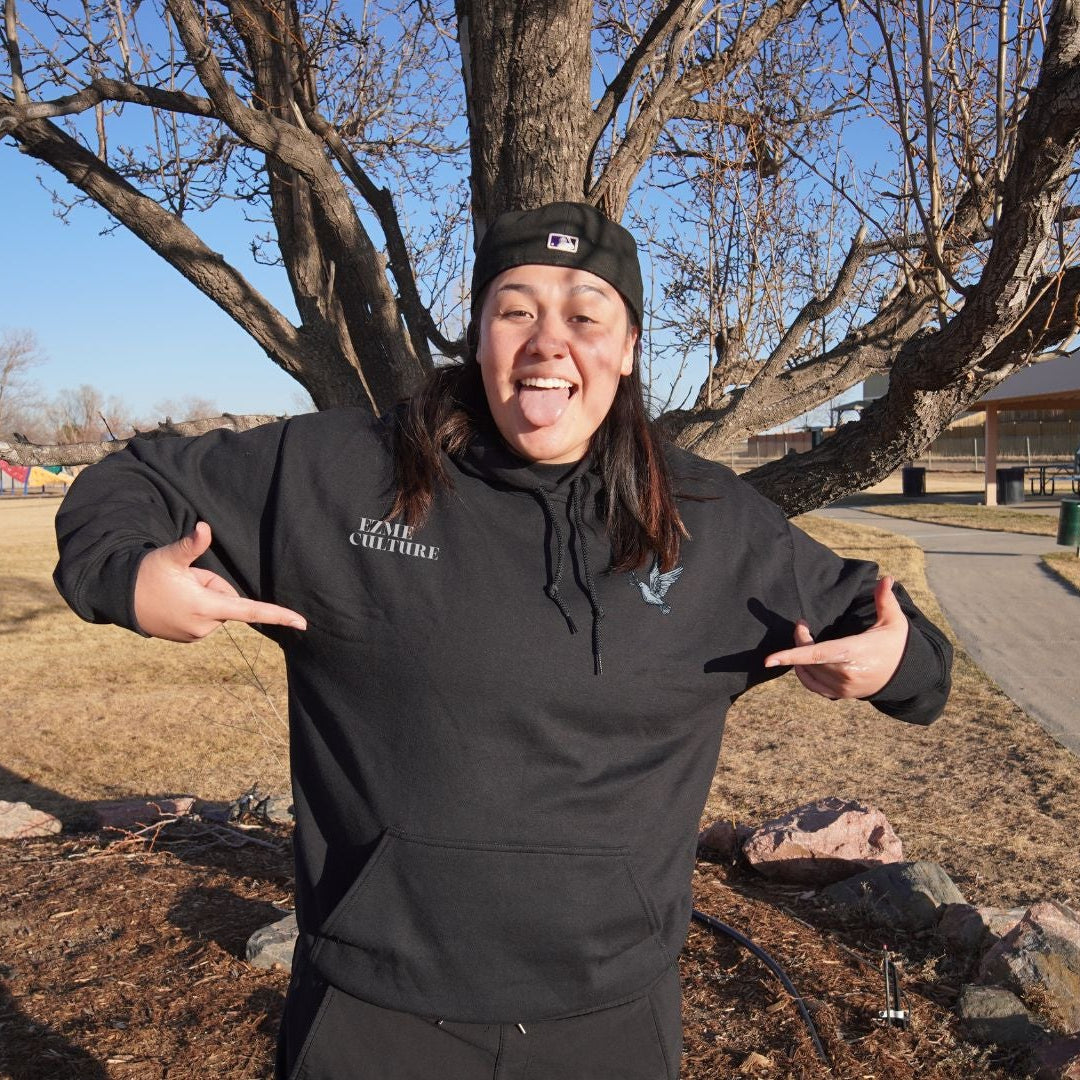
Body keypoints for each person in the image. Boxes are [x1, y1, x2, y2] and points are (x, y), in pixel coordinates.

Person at [54, 202, 952, 1080]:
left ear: (629, 349)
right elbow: (131, 482)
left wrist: (885, 663)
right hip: (372, 1008)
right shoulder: (341, 477)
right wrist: (131, 580)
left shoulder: (711, 524)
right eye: (515, 310)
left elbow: (901, 645)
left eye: (585, 316)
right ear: (478, 336)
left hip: (612, 1019)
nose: (548, 343)